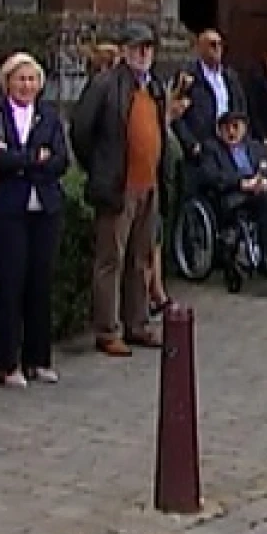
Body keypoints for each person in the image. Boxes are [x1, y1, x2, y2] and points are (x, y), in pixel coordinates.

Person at [71, 22, 174, 357]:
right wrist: (101, 170)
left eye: (148, 48)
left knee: (141, 258)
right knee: (110, 259)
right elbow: (81, 132)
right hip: (118, 185)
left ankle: (138, 323)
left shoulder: (155, 87)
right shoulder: (106, 85)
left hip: (149, 184)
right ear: (125, 50)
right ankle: (107, 329)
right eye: (137, 48)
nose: (143, 54)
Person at [0, 53, 70, 387]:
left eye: (32, 80)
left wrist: (20, 162)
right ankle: (8, 362)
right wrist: (32, 159)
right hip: (6, 209)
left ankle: (38, 358)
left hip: (44, 208)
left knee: (40, 283)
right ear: (7, 82)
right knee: (9, 283)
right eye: (20, 79)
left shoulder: (49, 116)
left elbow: (60, 160)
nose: (26, 85)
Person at [201, 110, 267, 289]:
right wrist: (242, 183)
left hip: (261, 190)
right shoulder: (212, 149)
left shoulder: (257, 148)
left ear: (244, 129)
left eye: (236, 127)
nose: (232, 132)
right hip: (235, 196)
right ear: (219, 131)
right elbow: (211, 177)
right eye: (227, 128)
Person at [175, 28, 246, 159]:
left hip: (230, 142)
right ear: (200, 48)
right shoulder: (188, 76)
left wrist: (242, 135)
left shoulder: (230, 76)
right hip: (203, 145)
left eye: (220, 44)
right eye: (213, 44)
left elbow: (241, 107)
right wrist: (191, 143)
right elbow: (177, 115)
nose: (218, 48)